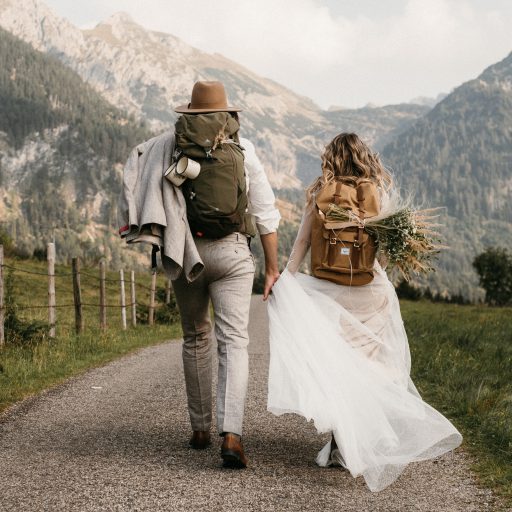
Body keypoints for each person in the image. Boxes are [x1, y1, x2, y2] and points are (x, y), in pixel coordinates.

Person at [267, 133, 462, 491]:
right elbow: (383, 257)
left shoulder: (320, 195)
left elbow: (301, 246)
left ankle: (344, 441)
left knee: (338, 369)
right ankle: (354, 442)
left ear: (331, 158)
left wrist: (284, 283)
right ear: (364, 158)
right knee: (366, 369)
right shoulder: (376, 195)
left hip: (327, 292)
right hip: (369, 294)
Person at [171, 81, 280, 468]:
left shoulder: (173, 145)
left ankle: (200, 429)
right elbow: (266, 213)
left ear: (189, 113)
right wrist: (271, 267)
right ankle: (231, 434)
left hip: (186, 252)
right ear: (229, 114)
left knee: (195, 335)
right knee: (233, 341)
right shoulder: (243, 150)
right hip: (233, 253)